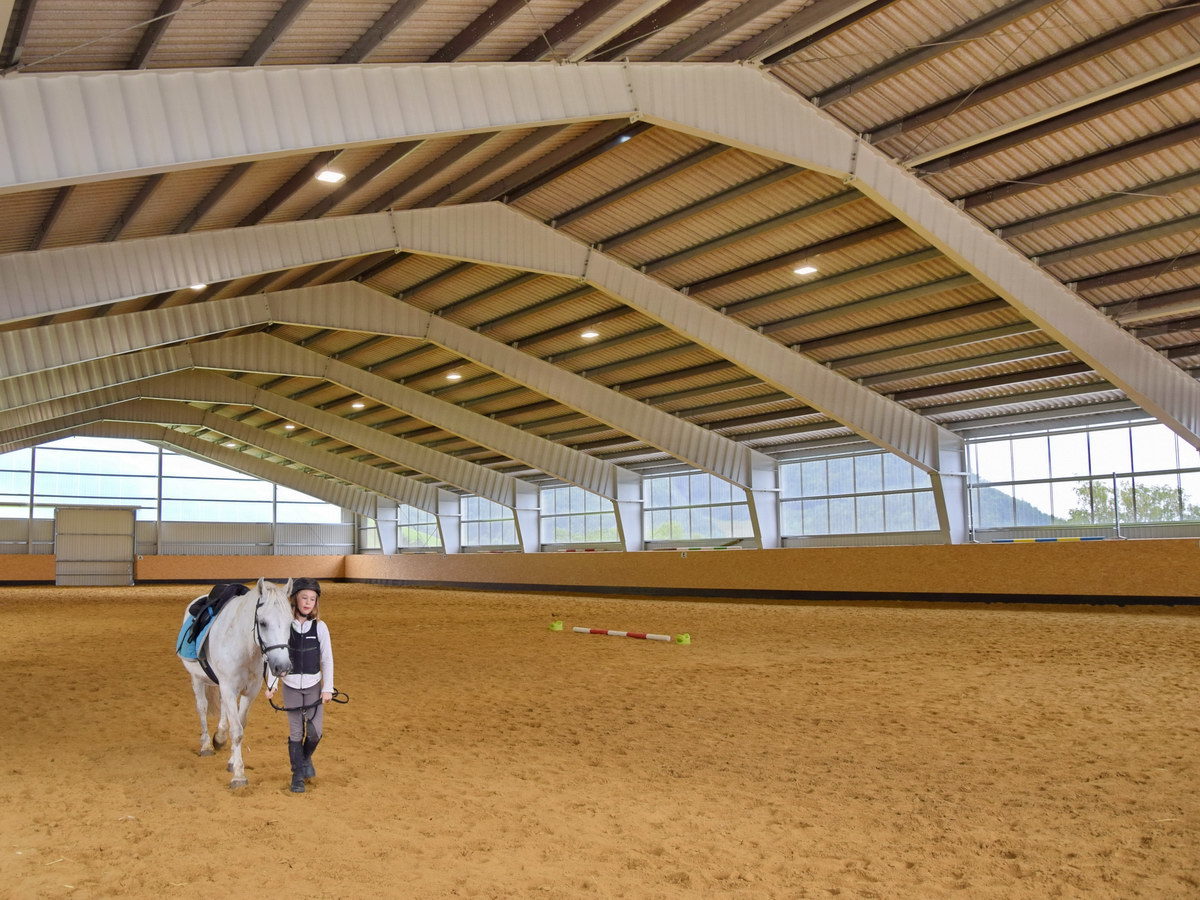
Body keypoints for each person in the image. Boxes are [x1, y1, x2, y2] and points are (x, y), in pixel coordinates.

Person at [265, 577, 333, 793]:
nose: (308, 602)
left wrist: (327, 688)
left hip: (314, 686)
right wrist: (272, 684)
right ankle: (297, 776)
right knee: (296, 733)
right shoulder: (285, 627)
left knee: (314, 733)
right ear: (295, 599)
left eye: (312, 599)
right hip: (291, 686)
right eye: (304, 598)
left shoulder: (320, 627)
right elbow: (276, 656)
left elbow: (327, 659)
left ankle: (304, 760)